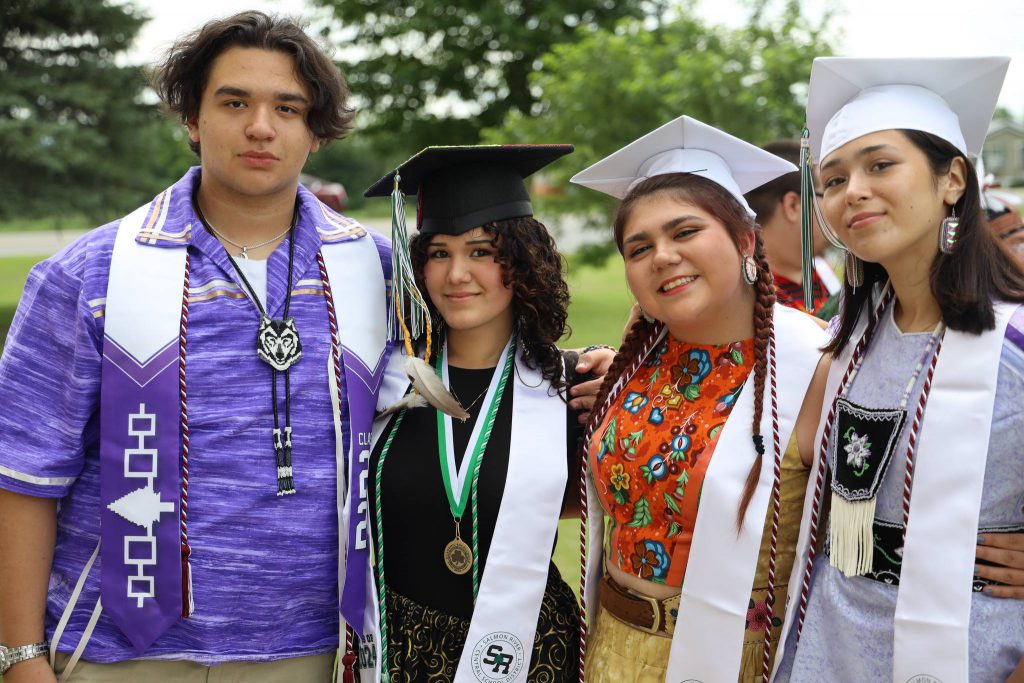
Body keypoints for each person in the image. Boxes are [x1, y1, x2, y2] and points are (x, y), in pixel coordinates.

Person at [0, 11, 416, 682]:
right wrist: (19, 655)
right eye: (234, 102)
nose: (261, 126)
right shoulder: (89, 274)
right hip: (119, 650)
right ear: (192, 118)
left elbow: (468, 387)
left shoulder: (378, 271)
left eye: (288, 107)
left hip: (315, 647)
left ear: (315, 132)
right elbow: (21, 475)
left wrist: (582, 376)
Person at [776, 56, 1024, 682]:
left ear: (953, 180)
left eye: (880, 165)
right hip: (830, 642)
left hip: (975, 652)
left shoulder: (1016, 341)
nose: (851, 190)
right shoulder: (847, 339)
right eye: (831, 180)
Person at [569, 115, 828, 682]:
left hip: (737, 661)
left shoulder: (814, 367)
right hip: (611, 650)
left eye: (684, 232)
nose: (661, 256)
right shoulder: (636, 364)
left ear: (743, 239)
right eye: (639, 247)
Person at [360, 145, 586, 683]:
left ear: (522, 259)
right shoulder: (382, 384)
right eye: (438, 253)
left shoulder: (570, 389)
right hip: (396, 651)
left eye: (482, 251)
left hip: (528, 653)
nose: (456, 273)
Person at [743, 140, 840, 318]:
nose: (836, 205)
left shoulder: (825, 275)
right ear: (794, 205)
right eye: (827, 192)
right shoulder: (746, 301)